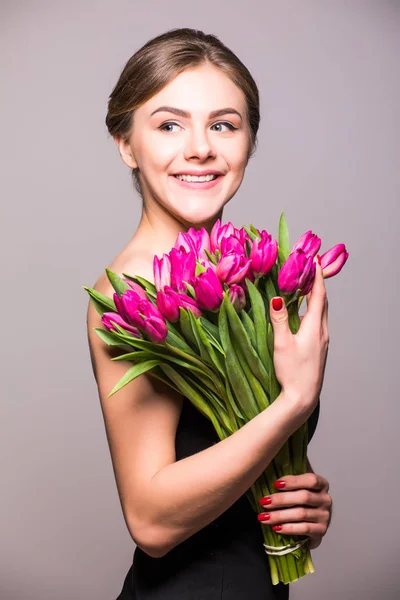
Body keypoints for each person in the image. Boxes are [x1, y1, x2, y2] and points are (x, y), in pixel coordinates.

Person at [86, 28, 332, 599]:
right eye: (169, 124)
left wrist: (302, 499)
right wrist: (293, 403)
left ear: (248, 141)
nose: (201, 147)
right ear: (126, 143)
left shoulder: (255, 269)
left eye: (224, 124)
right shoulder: (132, 295)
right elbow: (150, 522)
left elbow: (239, 457)